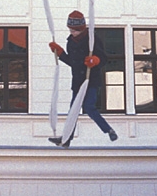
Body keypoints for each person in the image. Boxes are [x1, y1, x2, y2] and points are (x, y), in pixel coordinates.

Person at [48, 10, 118, 147]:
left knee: (89, 107)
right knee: (73, 110)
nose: (72, 32)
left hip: (90, 80)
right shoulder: (71, 42)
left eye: (75, 30)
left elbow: (104, 58)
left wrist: (95, 60)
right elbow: (72, 62)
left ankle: (108, 130)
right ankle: (66, 139)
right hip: (78, 81)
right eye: (70, 30)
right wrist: (60, 53)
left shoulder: (93, 39)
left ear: (81, 29)